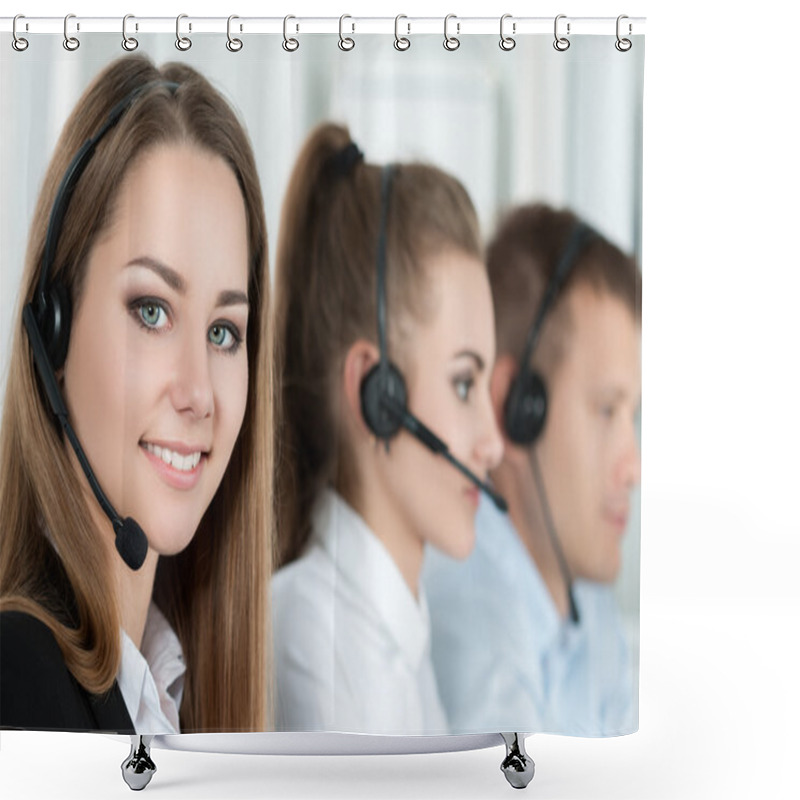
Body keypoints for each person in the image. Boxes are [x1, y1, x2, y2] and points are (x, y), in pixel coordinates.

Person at [0, 55, 273, 734]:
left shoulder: (167, 688)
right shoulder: (17, 688)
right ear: (51, 330)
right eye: (152, 310)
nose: (198, 393)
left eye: (223, 330)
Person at [271, 122, 504, 734]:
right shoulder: (317, 645)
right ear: (377, 395)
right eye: (463, 384)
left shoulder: (395, 630)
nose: (494, 442)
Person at [423, 203, 642, 736]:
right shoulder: (473, 612)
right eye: (607, 410)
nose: (633, 466)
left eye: (634, 416)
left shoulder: (584, 597)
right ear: (516, 411)